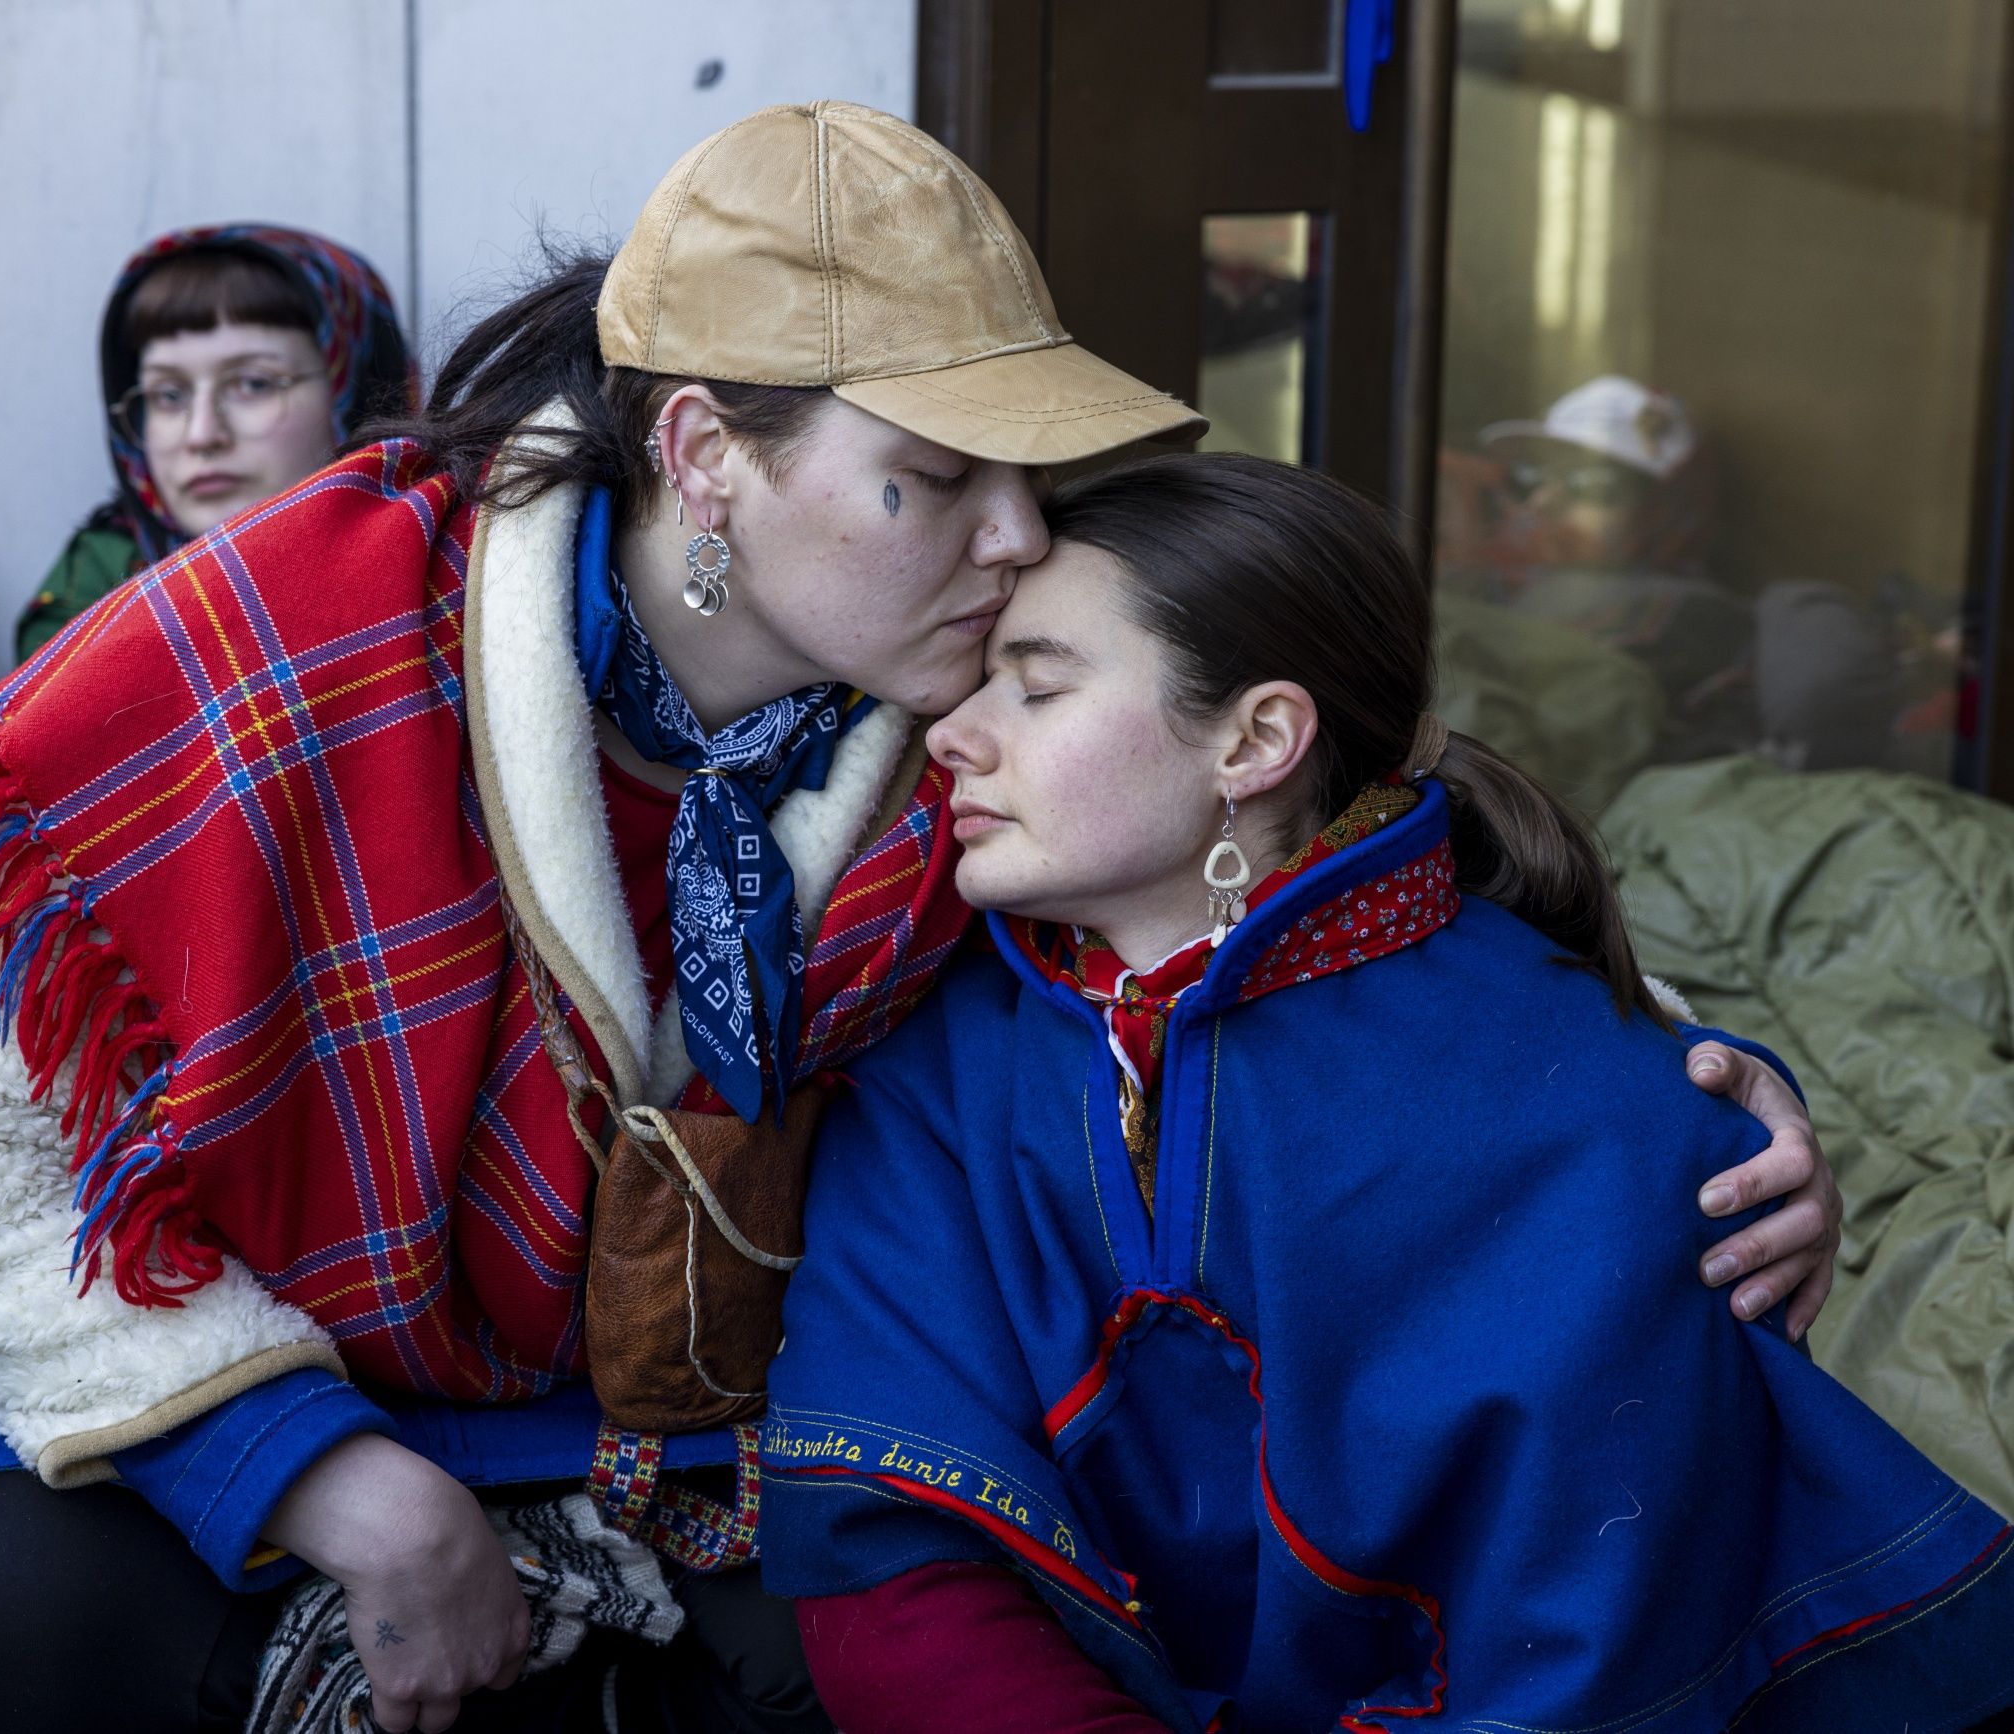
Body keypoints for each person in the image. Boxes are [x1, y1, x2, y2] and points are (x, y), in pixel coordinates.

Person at [0, 104, 1835, 1734]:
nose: (1020, 543)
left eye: (1032, 479)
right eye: (939, 477)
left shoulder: (972, 717)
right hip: (225, 1401)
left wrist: (1685, 1133)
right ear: (707, 456)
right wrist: (329, 1477)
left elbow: (1302, 879)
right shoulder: (273, 652)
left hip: (693, 1444)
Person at [761, 453, 2008, 1733]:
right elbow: (884, 1544)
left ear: (1253, 741)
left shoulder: (1601, 1130)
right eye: (977, 684)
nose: (953, 733)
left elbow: (1583, 1667)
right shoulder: (932, 1055)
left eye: (1034, 687)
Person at [12, 224, 414, 660]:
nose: (202, 435)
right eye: (168, 395)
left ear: (356, 397)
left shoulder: (446, 577)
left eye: (254, 384)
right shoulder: (91, 590)